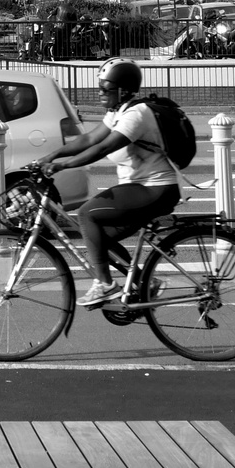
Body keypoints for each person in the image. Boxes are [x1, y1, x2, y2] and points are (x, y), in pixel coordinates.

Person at [37, 58, 180, 309]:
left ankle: (104, 284)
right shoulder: (118, 111)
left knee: (85, 214)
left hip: (155, 188)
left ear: (123, 90)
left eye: (106, 88)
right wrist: (53, 155)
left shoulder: (137, 114)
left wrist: (63, 166)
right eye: (100, 87)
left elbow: (103, 147)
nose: (100, 93)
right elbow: (91, 138)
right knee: (98, 238)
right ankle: (147, 283)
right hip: (139, 187)